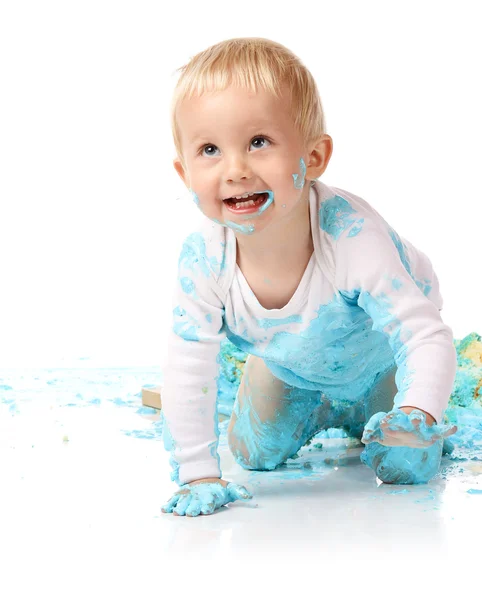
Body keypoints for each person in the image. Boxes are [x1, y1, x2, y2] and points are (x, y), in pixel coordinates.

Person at [160, 37, 458, 517]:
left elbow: (424, 334)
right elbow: (186, 369)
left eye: (259, 142)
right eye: (210, 149)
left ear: (314, 157)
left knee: (406, 464)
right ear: (184, 172)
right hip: (291, 369)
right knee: (253, 455)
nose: (235, 169)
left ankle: (391, 410)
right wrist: (198, 473)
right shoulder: (203, 260)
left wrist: (419, 411)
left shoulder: (352, 236)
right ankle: (314, 406)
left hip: (379, 365)